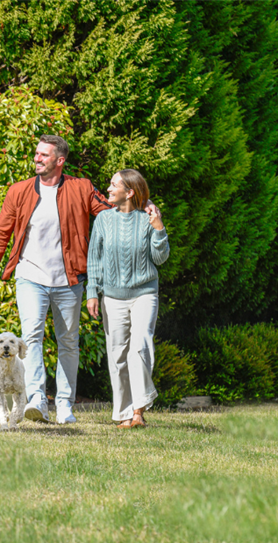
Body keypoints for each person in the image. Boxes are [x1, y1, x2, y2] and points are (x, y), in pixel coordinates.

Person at [0, 135, 159, 424]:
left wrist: (143, 204)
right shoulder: (19, 191)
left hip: (69, 278)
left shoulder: (81, 188)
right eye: (37, 153)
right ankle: (37, 399)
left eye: (44, 155)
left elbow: (112, 210)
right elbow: (2, 230)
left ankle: (64, 405)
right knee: (32, 337)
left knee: (67, 342)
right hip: (30, 276)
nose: (37, 158)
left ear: (59, 160)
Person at [86, 169, 169, 428]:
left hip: (144, 293)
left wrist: (158, 229)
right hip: (112, 296)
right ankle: (123, 414)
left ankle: (138, 412)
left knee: (139, 347)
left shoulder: (148, 219)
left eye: (113, 185)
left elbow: (161, 258)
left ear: (129, 192)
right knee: (117, 354)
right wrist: (92, 292)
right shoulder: (102, 220)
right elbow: (95, 259)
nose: (108, 189)